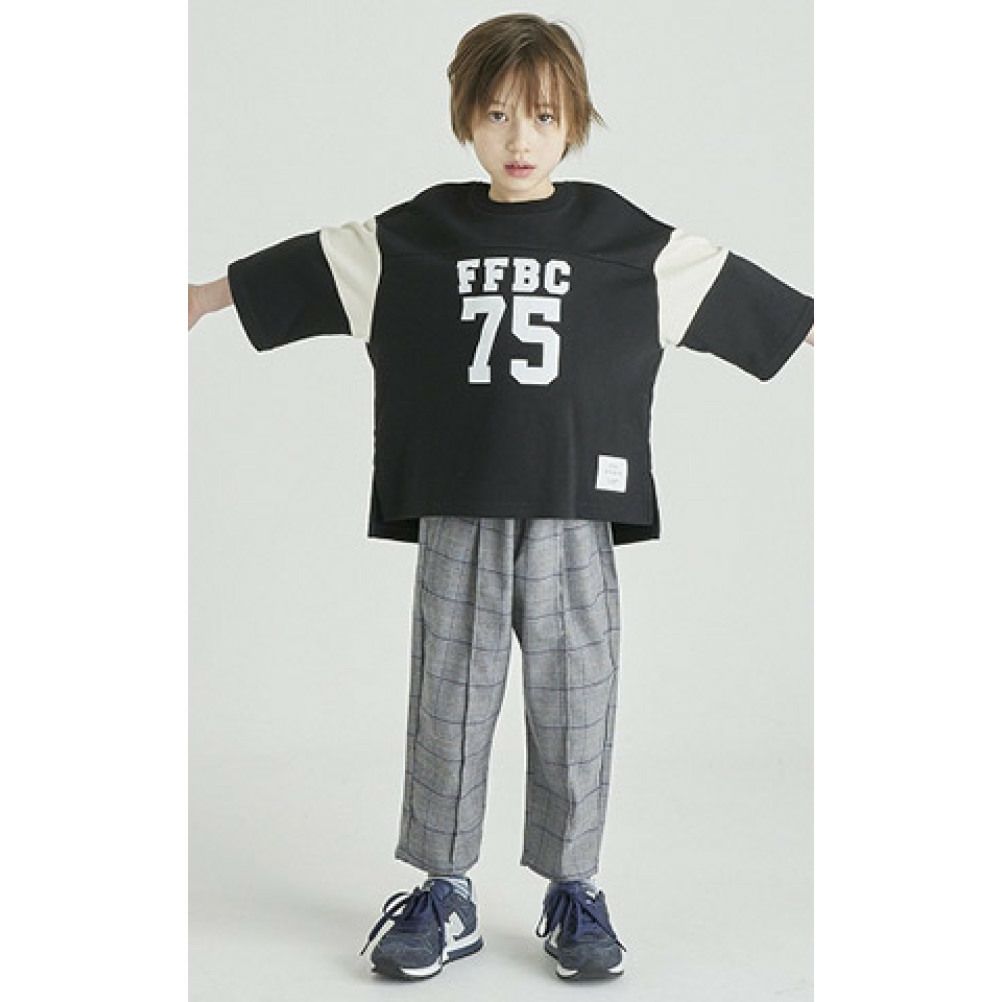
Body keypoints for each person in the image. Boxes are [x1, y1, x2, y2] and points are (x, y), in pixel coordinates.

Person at [188, 12, 813, 983]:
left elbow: (736, 289)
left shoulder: (622, 239)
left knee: (577, 698)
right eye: (496, 114)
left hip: (573, 509)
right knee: (450, 694)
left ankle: (575, 889)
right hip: (460, 503)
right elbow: (314, 262)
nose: (520, 138)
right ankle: (443, 889)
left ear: (574, 122)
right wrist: (197, 298)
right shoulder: (418, 236)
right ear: (466, 120)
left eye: (543, 116)